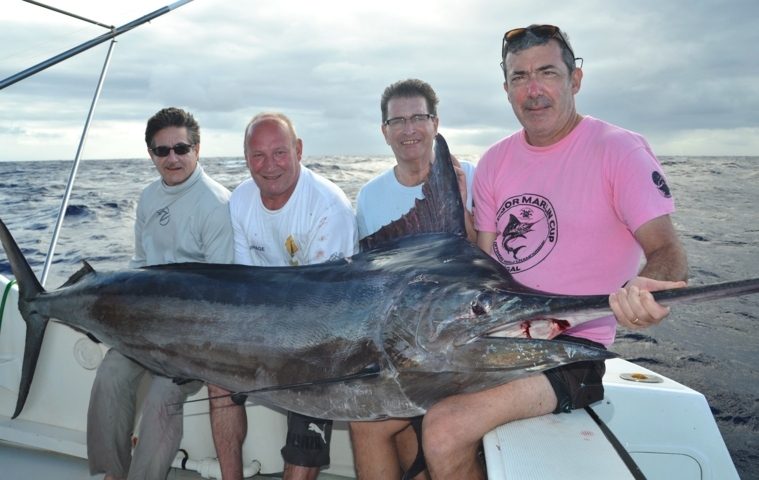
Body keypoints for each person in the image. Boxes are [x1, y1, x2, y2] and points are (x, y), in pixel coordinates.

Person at [420, 25, 689, 479]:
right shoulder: (494, 162)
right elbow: (481, 266)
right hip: (497, 337)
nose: (534, 89)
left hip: (573, 351)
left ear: (575, 79)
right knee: (380, 403)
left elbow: (667, 249)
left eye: (547, 72)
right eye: (520, 77)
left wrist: (646, 288)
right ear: (506, 89)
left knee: (445, 429)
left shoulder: (618, 150)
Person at [87, 107, 234, 480]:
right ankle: (111, 473)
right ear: (150, 154)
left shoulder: (216, 204)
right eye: (162, 150)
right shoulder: (148, 198)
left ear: (197, 149)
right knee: (110, 375)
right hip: (147, 330)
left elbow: (221, 294)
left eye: (181, 148)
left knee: (161, 397)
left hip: (194, 341)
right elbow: (139, 266)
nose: (173, 158)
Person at [213, 112, 358, 480]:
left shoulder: (328, 206)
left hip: (326, 336)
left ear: (299, 150)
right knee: (215, 374)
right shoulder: (241, 201)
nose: (269, 166)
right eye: (257, 156)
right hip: (267, 327)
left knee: (309, 382)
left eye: (279, 153)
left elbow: (322, 307)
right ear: (246, 159)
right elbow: (246, 285)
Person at [350, 78, 476, 480]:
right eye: (398, 121)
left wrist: (461, 200)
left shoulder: (471, 176)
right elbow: (371, 286)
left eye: (418, 118)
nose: (409, 129)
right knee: (372, 419)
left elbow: (489, 264)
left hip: (463, 342)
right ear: (384, 131)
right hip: (405, 350)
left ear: (435, 123)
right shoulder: (370, 196)